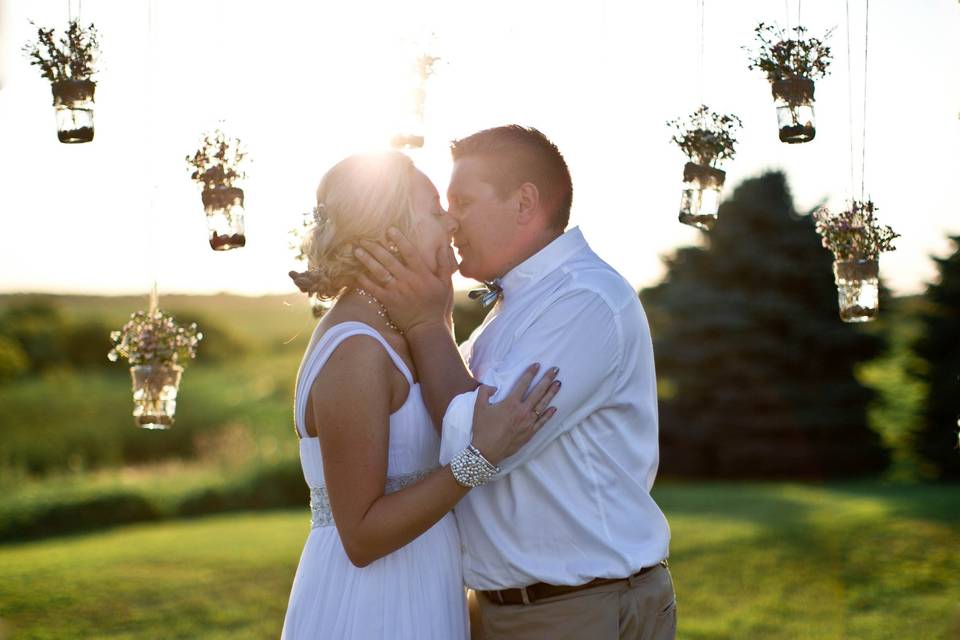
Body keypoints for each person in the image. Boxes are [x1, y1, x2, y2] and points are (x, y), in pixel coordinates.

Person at [353, 125, 676, 640]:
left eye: (463, 200)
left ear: (524, 202)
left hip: (575, 609)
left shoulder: (584, 301)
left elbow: (475, 443)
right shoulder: (513, 308)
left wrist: (423, 323)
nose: (450, 218)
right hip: (517, 608)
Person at [281, 150, 562, 640]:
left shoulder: (403, 330)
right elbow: (362, 536)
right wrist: (479, 460)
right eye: (434, 210)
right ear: (392, 232)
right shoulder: (356, 349)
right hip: (372, 605)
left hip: (426, 583)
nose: (451, 219)